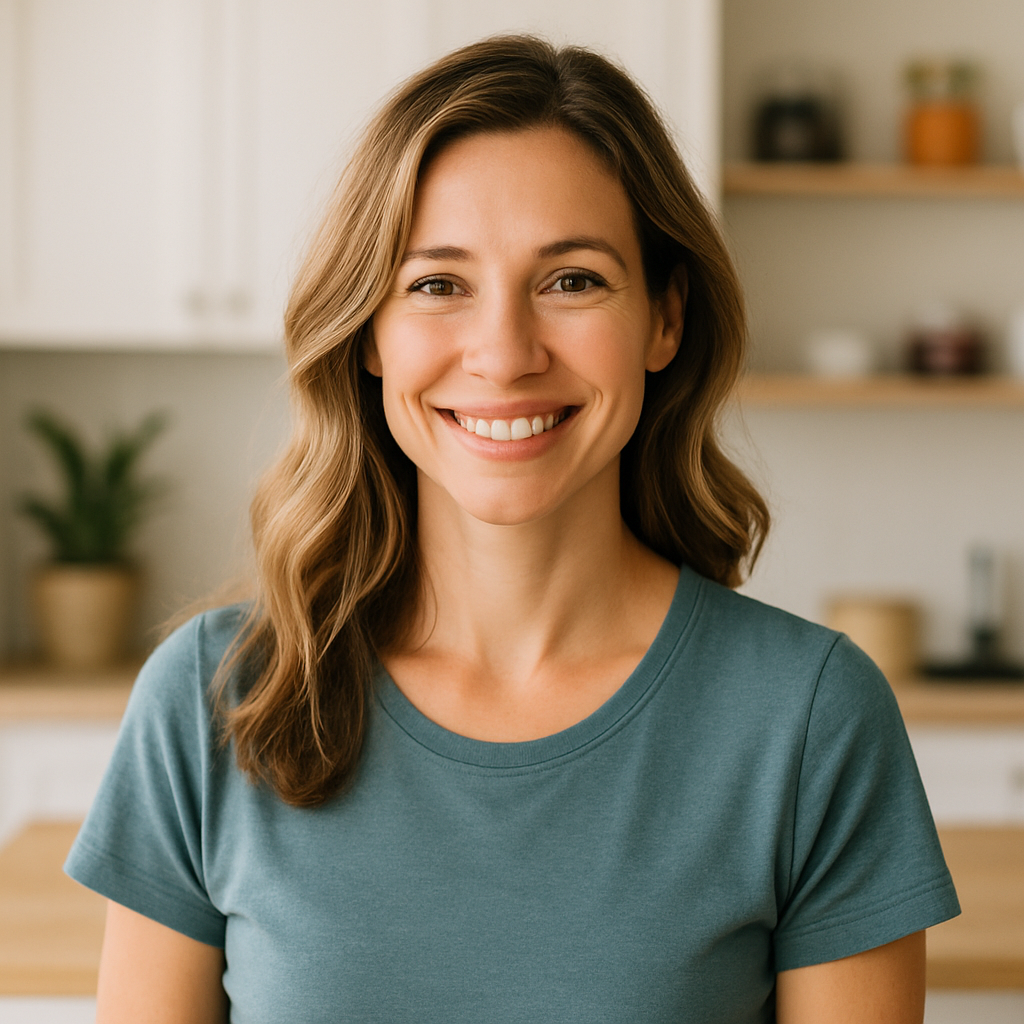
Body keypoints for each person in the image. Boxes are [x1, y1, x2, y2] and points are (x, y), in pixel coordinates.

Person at [66, 35, 959, 1023]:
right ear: (370, 332)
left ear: (664, 319)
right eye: (436, 284)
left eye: (570, 279)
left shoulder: (809, 721)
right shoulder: (214, 698)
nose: (503, 353)